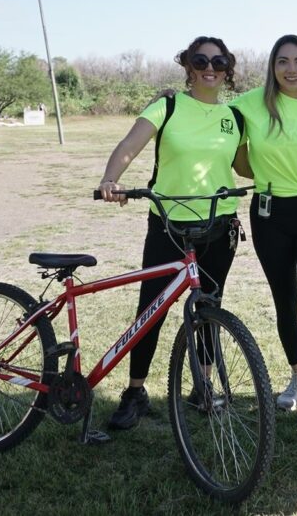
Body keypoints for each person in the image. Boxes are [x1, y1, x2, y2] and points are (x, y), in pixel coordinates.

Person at [97, 34, 248, 431]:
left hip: (219, 224)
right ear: (188, 66)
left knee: (209, 308)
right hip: (167, 223)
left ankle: (204, 386)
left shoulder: (235, 117)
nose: (210, 68)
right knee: (152, 309)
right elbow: (130, 145)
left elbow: (247, 165)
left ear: (229, 67)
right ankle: (135, 391)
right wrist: (111, 179)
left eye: (219, 61)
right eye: (201, 61)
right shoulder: (167, 105)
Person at [231, 34, 297, 425]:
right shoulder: (250, 105)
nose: (291, 70)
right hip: (270, 211)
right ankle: (295, 375)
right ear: (272, 67)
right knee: (284, 299)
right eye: (282, 62)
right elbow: (235, 154)